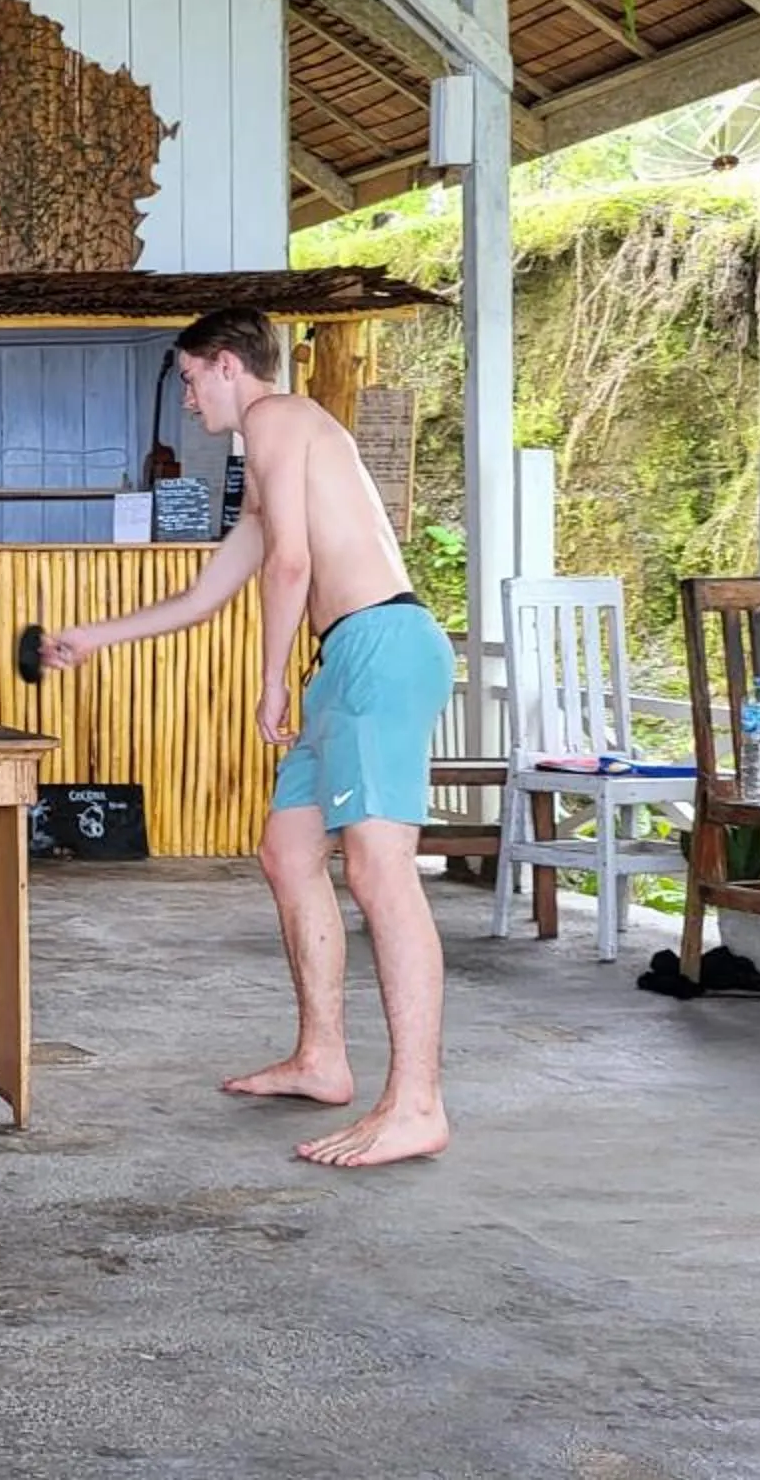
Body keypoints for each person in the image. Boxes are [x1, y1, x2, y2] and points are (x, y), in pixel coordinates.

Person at [36, 307, 456, 1170]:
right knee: (286, 852)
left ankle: (417, 1103)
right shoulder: (273, 462)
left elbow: (292, 566)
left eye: (190, 379)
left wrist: (270, 678)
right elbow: (207, 593)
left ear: (227, 365)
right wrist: (92, 638)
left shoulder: (275, 420)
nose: (188, 400)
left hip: (382, 647)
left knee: (380, 872)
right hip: (344, 661)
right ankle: (322, 1058)